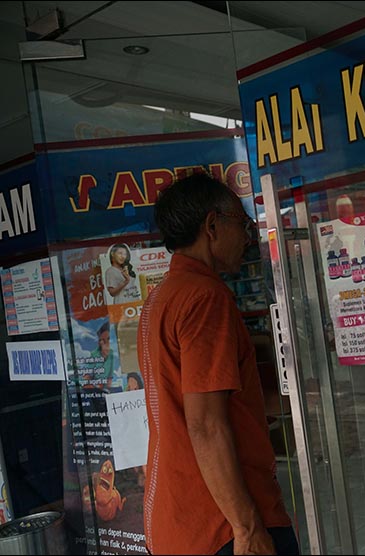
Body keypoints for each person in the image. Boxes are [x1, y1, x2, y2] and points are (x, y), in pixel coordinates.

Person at [138, 174, 296, 555]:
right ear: (212, 226)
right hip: (222, 526)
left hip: (179, 516)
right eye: (242, 225)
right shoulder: (204, 297)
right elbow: (206, 424)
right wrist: (247, 527)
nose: (248, 237)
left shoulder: (161, 296)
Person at [90, 322, 117, 392]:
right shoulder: (93, 355)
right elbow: (87, 377)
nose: (107, 343)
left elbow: (110, 377)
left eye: (109, 339)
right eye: (103, 340)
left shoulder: (112, 354)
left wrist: (108, 389)